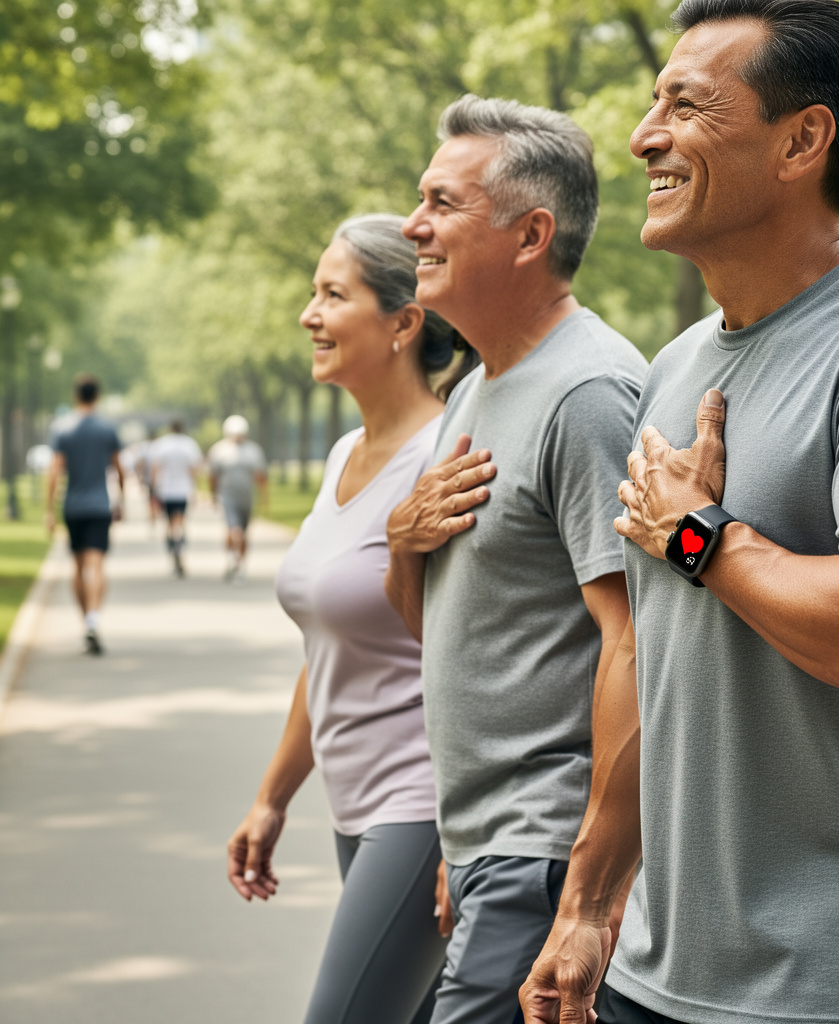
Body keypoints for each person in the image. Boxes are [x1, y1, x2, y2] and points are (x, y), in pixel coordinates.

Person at [520, 3, 839, 1024]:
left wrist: (702, 537)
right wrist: (592, 902)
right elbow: (652, 656)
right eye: (653, 106)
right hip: (654, 971)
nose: (645, 136)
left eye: (686, 105)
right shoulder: (677, 367)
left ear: (801, 140)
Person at [385, 95, 648, 1024]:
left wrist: (581, 892)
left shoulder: (588, 394)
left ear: (531, 234)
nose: (413, 224)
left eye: (442, 203)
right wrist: (400, 543)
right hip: (491, 845)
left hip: (546, 847)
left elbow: (639, 647)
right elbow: (458, 627)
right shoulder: (478, 389)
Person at [227, 214, 477, 1024]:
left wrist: (466, 828)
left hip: (424, 802)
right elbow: (330, 645)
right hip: (353, 802)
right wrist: (273, 798)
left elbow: (481, 649)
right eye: (313, 293)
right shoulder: (343, 454)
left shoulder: (449, 454)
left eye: (333, 295)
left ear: (403, 323)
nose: (309, 315)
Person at [45, 374, 124, 655]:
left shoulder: (63, 429)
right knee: (98, 565)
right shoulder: (106, 429)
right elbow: (118, 467)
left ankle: (85, 622)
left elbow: (54, 471)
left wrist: (48, 511)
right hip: (100, 505)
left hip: (73, 506)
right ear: (97, 396)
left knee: (78, 567)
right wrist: (121, 498)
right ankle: (94, 619)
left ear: (76, 395)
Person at [207, 414, 268, 581]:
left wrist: (264, 497)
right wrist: (213, 495)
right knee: (235, 530)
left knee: (244, 533)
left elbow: (260, 475)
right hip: (228, 496)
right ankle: (235, 562)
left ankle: (240, 563)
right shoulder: (219, 450)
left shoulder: (253, 450)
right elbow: (213, 476)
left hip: (247, 497)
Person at [148, 419, 203, 577]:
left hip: (165, 490)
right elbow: (194, 469)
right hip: (183, 489)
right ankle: (179, 542)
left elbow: (155, 468)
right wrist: (194, 488)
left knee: (169, 521)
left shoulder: (161, 445)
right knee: (179, 519)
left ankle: (173, 542)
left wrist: (153, 488)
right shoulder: (189, 444)